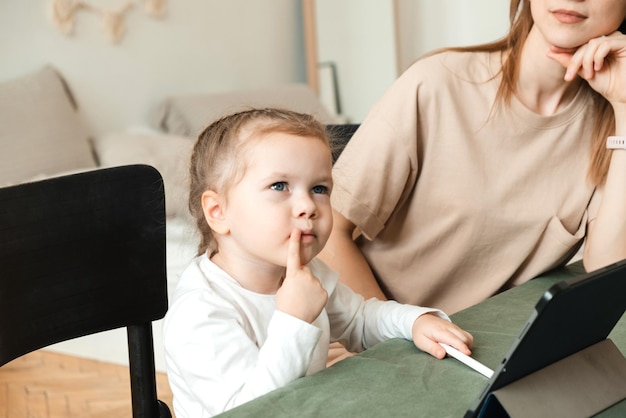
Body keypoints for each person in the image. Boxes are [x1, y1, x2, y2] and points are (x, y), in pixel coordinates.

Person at [319, 0, 626, 315]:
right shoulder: (437, 83)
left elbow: (608, 265)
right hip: (360, 338)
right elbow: (327, 234)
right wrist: (397, 335)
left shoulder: (612, 127)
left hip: (472, 351)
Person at [162, 108, 473, 418]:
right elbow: (250, 412)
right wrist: (294, 320)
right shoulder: (201, 312)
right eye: (280, 186)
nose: (308, 206)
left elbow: (360, 320)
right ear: (218, 212)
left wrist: (414, 322)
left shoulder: (304, 273)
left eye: (319, 189)